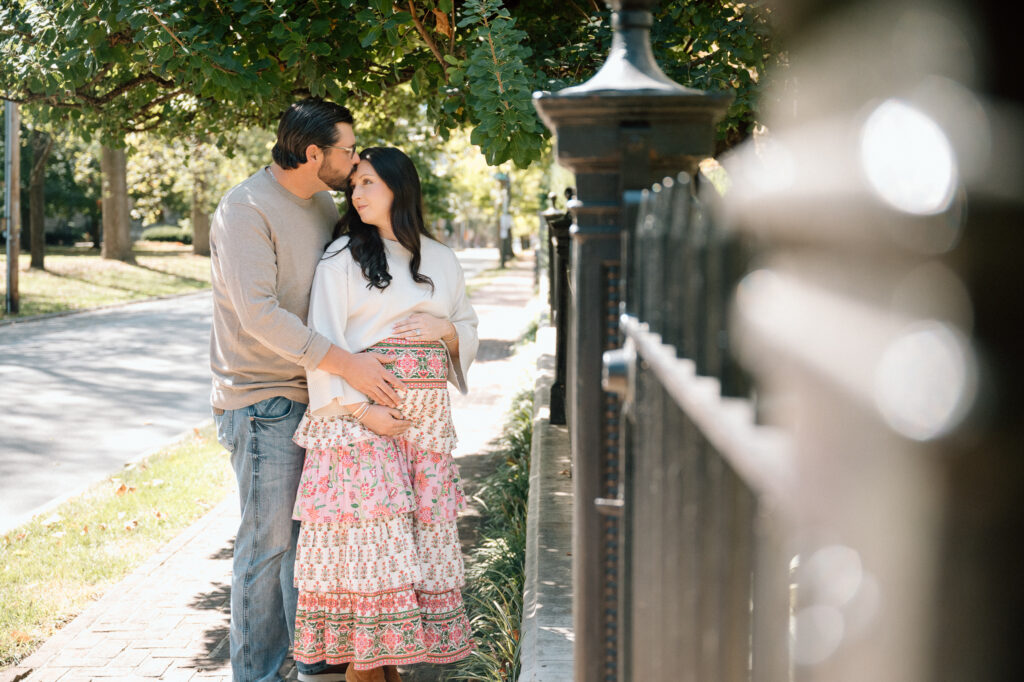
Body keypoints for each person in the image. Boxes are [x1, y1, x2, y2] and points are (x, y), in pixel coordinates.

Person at [210, 99, 407, 682]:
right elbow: (258, 315)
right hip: (263, 397)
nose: (354, 162)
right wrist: (348, 366)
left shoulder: (324, 203)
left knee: (315, 544)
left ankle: (313, 667)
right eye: (347, 150)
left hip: (324, 397)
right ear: (313, 152)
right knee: (268, 547)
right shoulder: (245, 208)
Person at [289, 147, 479, 682]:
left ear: (400, 187)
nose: (357, 193)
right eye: (355, 184)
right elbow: (321, 342)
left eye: (369, 182)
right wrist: (362, 411)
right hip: (359, 426)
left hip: (425, 434)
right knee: (375, 567)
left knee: (413, 563)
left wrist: (445, 333)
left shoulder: (441, 257)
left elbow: (466, 324)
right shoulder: (343, 258)